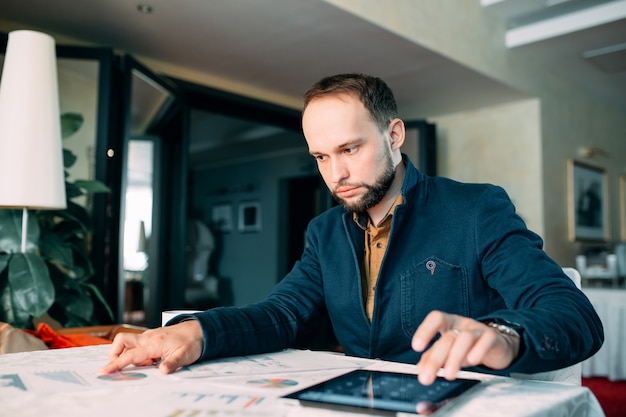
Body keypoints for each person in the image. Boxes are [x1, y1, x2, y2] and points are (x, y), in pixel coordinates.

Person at [100, 73, 603, 386]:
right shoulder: (324, 232)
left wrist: (504, 334)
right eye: (320, 156)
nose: (334, 175)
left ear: (394, 135)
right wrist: (198, 331)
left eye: (349, 149)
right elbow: (283, 315)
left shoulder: (475, 208)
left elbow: (572, 314)